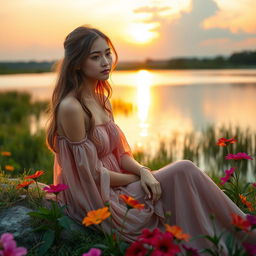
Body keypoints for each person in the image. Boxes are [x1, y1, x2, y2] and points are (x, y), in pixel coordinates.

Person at [45, 25, 256, 252]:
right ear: (77, 63)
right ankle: (237, 239)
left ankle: (240, 235)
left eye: (107, 53)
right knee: (183, 170)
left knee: (182, 174)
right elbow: (92, 174)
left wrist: (143, 171)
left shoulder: (101, 99)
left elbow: (122, 155)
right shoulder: (71, 107)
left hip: (121, 183)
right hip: (98, 197)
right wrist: (136, 180)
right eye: (95, 57)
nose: (106, 62)